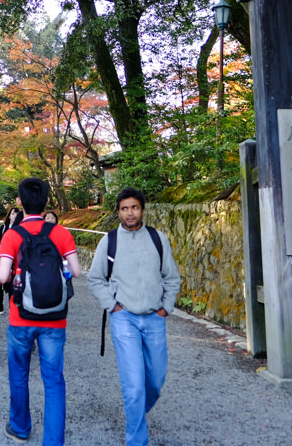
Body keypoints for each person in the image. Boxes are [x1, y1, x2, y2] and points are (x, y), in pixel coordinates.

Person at [87, 187, 182, 446]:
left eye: (134, 207)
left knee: (155, 380)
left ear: (142, 209)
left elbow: (171, 277)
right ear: (118, 211)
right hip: (124, 318)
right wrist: (113, 305)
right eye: (124, 208)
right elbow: (95, 279)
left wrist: (166, 307)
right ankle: (136, 440)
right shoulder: (110, 241)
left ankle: (137, 412)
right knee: (134, 384)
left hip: (154, 317)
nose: (130, 213)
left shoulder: (157, 238)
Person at [0, 177, 82, 445]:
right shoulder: (61, 233)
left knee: (19, 374)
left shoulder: (12, 235)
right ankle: (53, 441)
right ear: (46, 202)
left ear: (20, 202)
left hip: (20, 317)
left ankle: (21, 428)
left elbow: (1, 277)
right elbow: (77, 271)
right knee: (54, 381)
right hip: (55, 319)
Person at [0, 207, 23, 314]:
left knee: (12, 284)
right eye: (12, 214)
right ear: (9, 215)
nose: (14, 216)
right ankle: (1, 304)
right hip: (3, 258)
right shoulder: (3, 228)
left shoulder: (21, 228)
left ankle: (12, 306)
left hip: (15, 261)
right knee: (2, 283)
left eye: (16, 214)